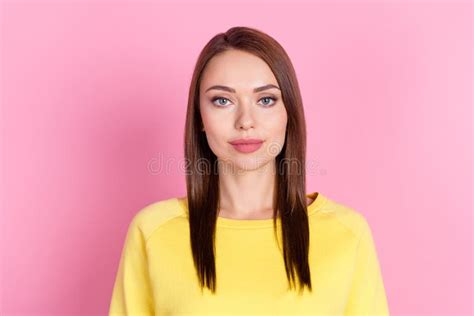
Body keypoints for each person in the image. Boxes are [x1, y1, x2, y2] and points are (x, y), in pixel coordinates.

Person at [108, 26, 390, 315]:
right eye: (223, 100)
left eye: (265, 100)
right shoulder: (153, 231)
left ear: (288, 112)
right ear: (200, 117)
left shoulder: (347, 233)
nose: (245, 121)